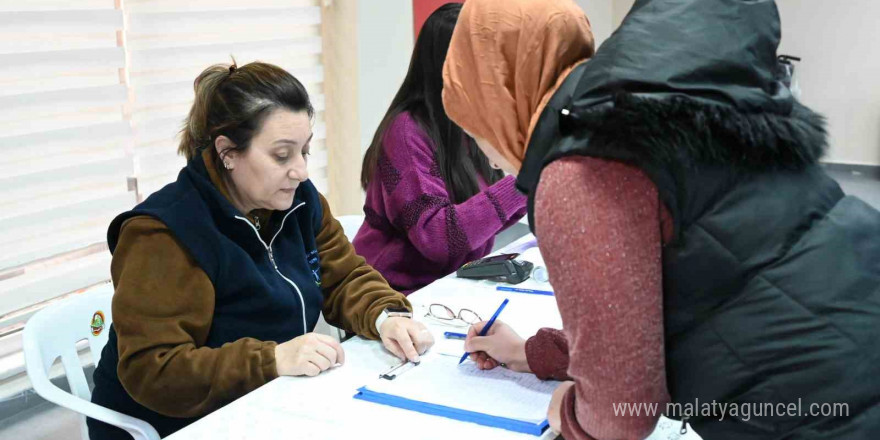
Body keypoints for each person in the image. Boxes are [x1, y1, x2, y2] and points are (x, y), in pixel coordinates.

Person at [443, 0, 880, 439]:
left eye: (474, 125)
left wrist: (569, 414)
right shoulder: (659, 110)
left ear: (499, 96)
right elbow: (674, 307)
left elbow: (620, 416)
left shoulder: (578, 168)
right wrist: (532, 353)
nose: (487, 157)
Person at [88, 61, 435, 439]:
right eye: (282, 155)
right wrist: (271, 360)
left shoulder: (297, 202)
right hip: (179, 426)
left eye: (304, 151)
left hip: (265, 401)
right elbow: (155, 370)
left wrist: (386, 317)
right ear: (228, 153)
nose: (300, 171)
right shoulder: (165, 235)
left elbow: (343, 276)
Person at [353, 3, 527, 294]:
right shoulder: (407, 133)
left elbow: (495, 214)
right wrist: (524, 181)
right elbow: (439, 239)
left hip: (452, 284)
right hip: (393, 297)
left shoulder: (468, 122)